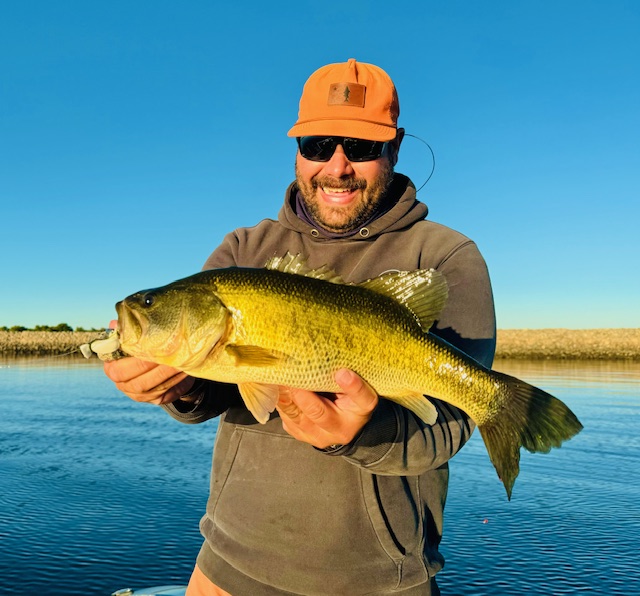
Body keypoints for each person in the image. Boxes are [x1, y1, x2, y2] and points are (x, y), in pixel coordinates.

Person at [104, 58, 496, 596]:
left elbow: (448, 425)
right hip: (226, 564)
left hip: (377, 582)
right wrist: (176, 384)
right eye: (317, 145)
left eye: (361, 146)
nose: (337, 166)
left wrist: (360, 433)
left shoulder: (445, 255)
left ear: (395, 148)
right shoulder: (244, 249)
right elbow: (212, 391)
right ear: (297, 150)